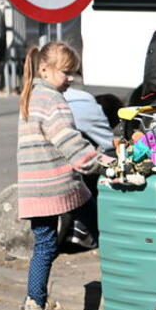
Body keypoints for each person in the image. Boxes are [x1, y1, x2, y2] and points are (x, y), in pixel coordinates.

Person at [17, 42, 113, 310]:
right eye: (66, 72)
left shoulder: (30, 95)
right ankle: (124, 288)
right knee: (102, 231)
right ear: (45, 69)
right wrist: (102, 163)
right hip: (62, 184)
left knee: (44, 245)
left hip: (33, 188)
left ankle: (34, 307)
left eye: (74, 73)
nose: (72, 78)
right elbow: (70, 142)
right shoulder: (54, 100)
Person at [63, 80, 120, 250]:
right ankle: (87, 231)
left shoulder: (54, 99)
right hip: (80, 168)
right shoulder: (88, 105)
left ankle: (80, 229)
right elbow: (108, 146)